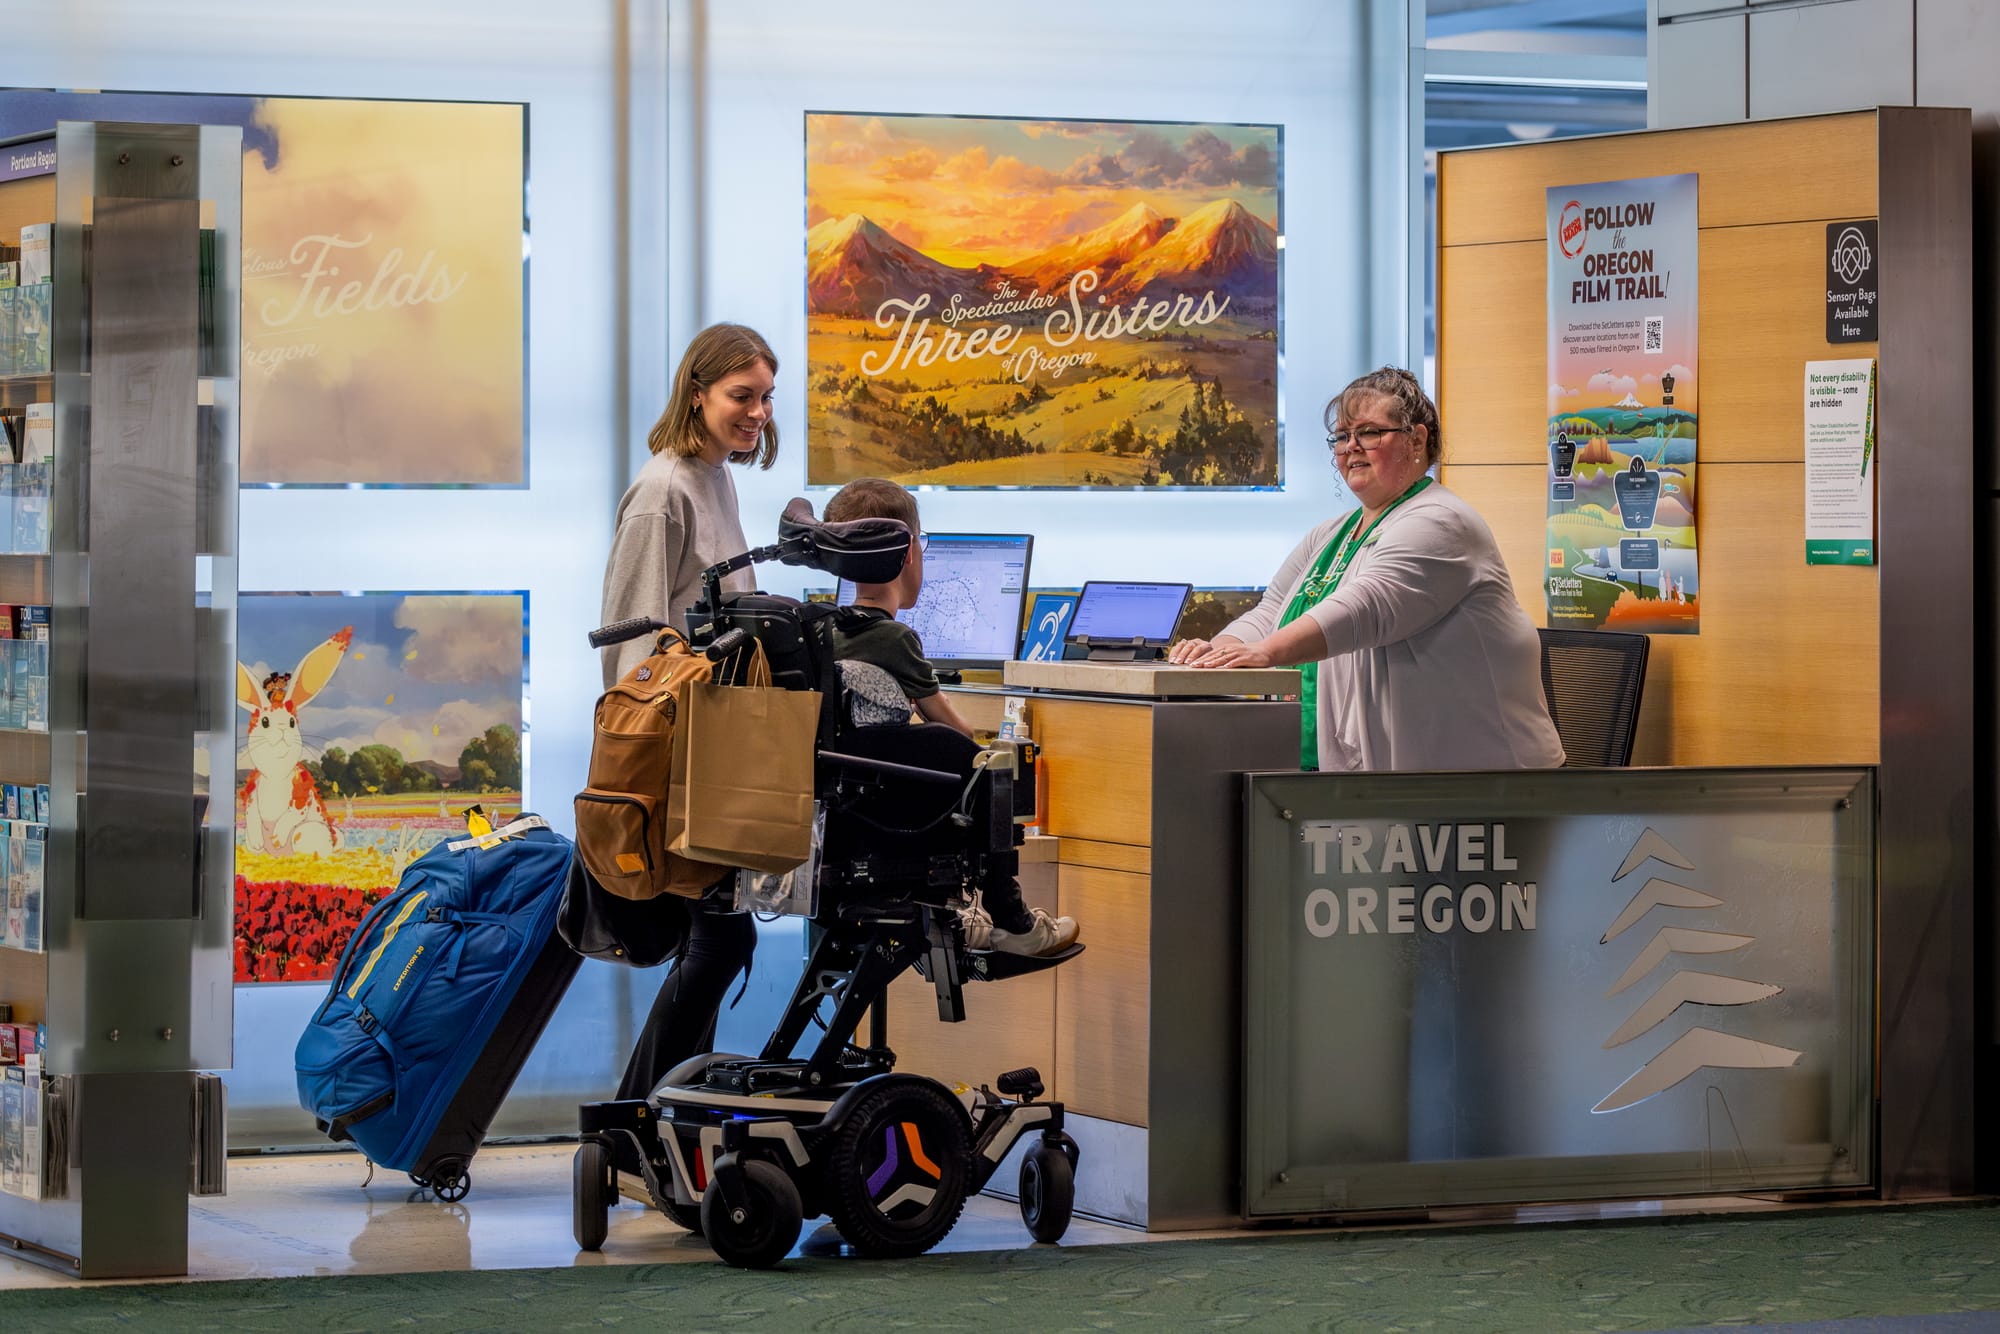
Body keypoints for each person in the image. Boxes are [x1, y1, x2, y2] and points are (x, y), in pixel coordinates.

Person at [1169, 367, 1564, 773]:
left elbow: (1363, 610)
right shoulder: (1331, 533)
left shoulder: (1442, 521)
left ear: (1417, 439)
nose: (1351, 447)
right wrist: (1216, 654)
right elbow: (1273, 612)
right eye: (1342, 436)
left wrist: (1265, 653)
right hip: (1381, 791)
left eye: (1369, 432)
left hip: (1482, 789)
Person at [601, 323, 778, 1109]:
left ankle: (663, 1120)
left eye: (767, 397)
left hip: (721, 746)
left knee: (718, 939)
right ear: (697, 392)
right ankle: (636, 1120)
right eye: (743, 396)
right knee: (718, 937)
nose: (758, 413)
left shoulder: (718, 478)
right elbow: (630, 647)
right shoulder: (661, 491)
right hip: (673, 754)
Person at [822, 477, 1080, 957]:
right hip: (897, 815)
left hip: (847, 815)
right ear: (911, 555)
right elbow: (958, 734)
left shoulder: (824, 633)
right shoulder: (894, 639)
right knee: (991, 771)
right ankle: (1012, 918)